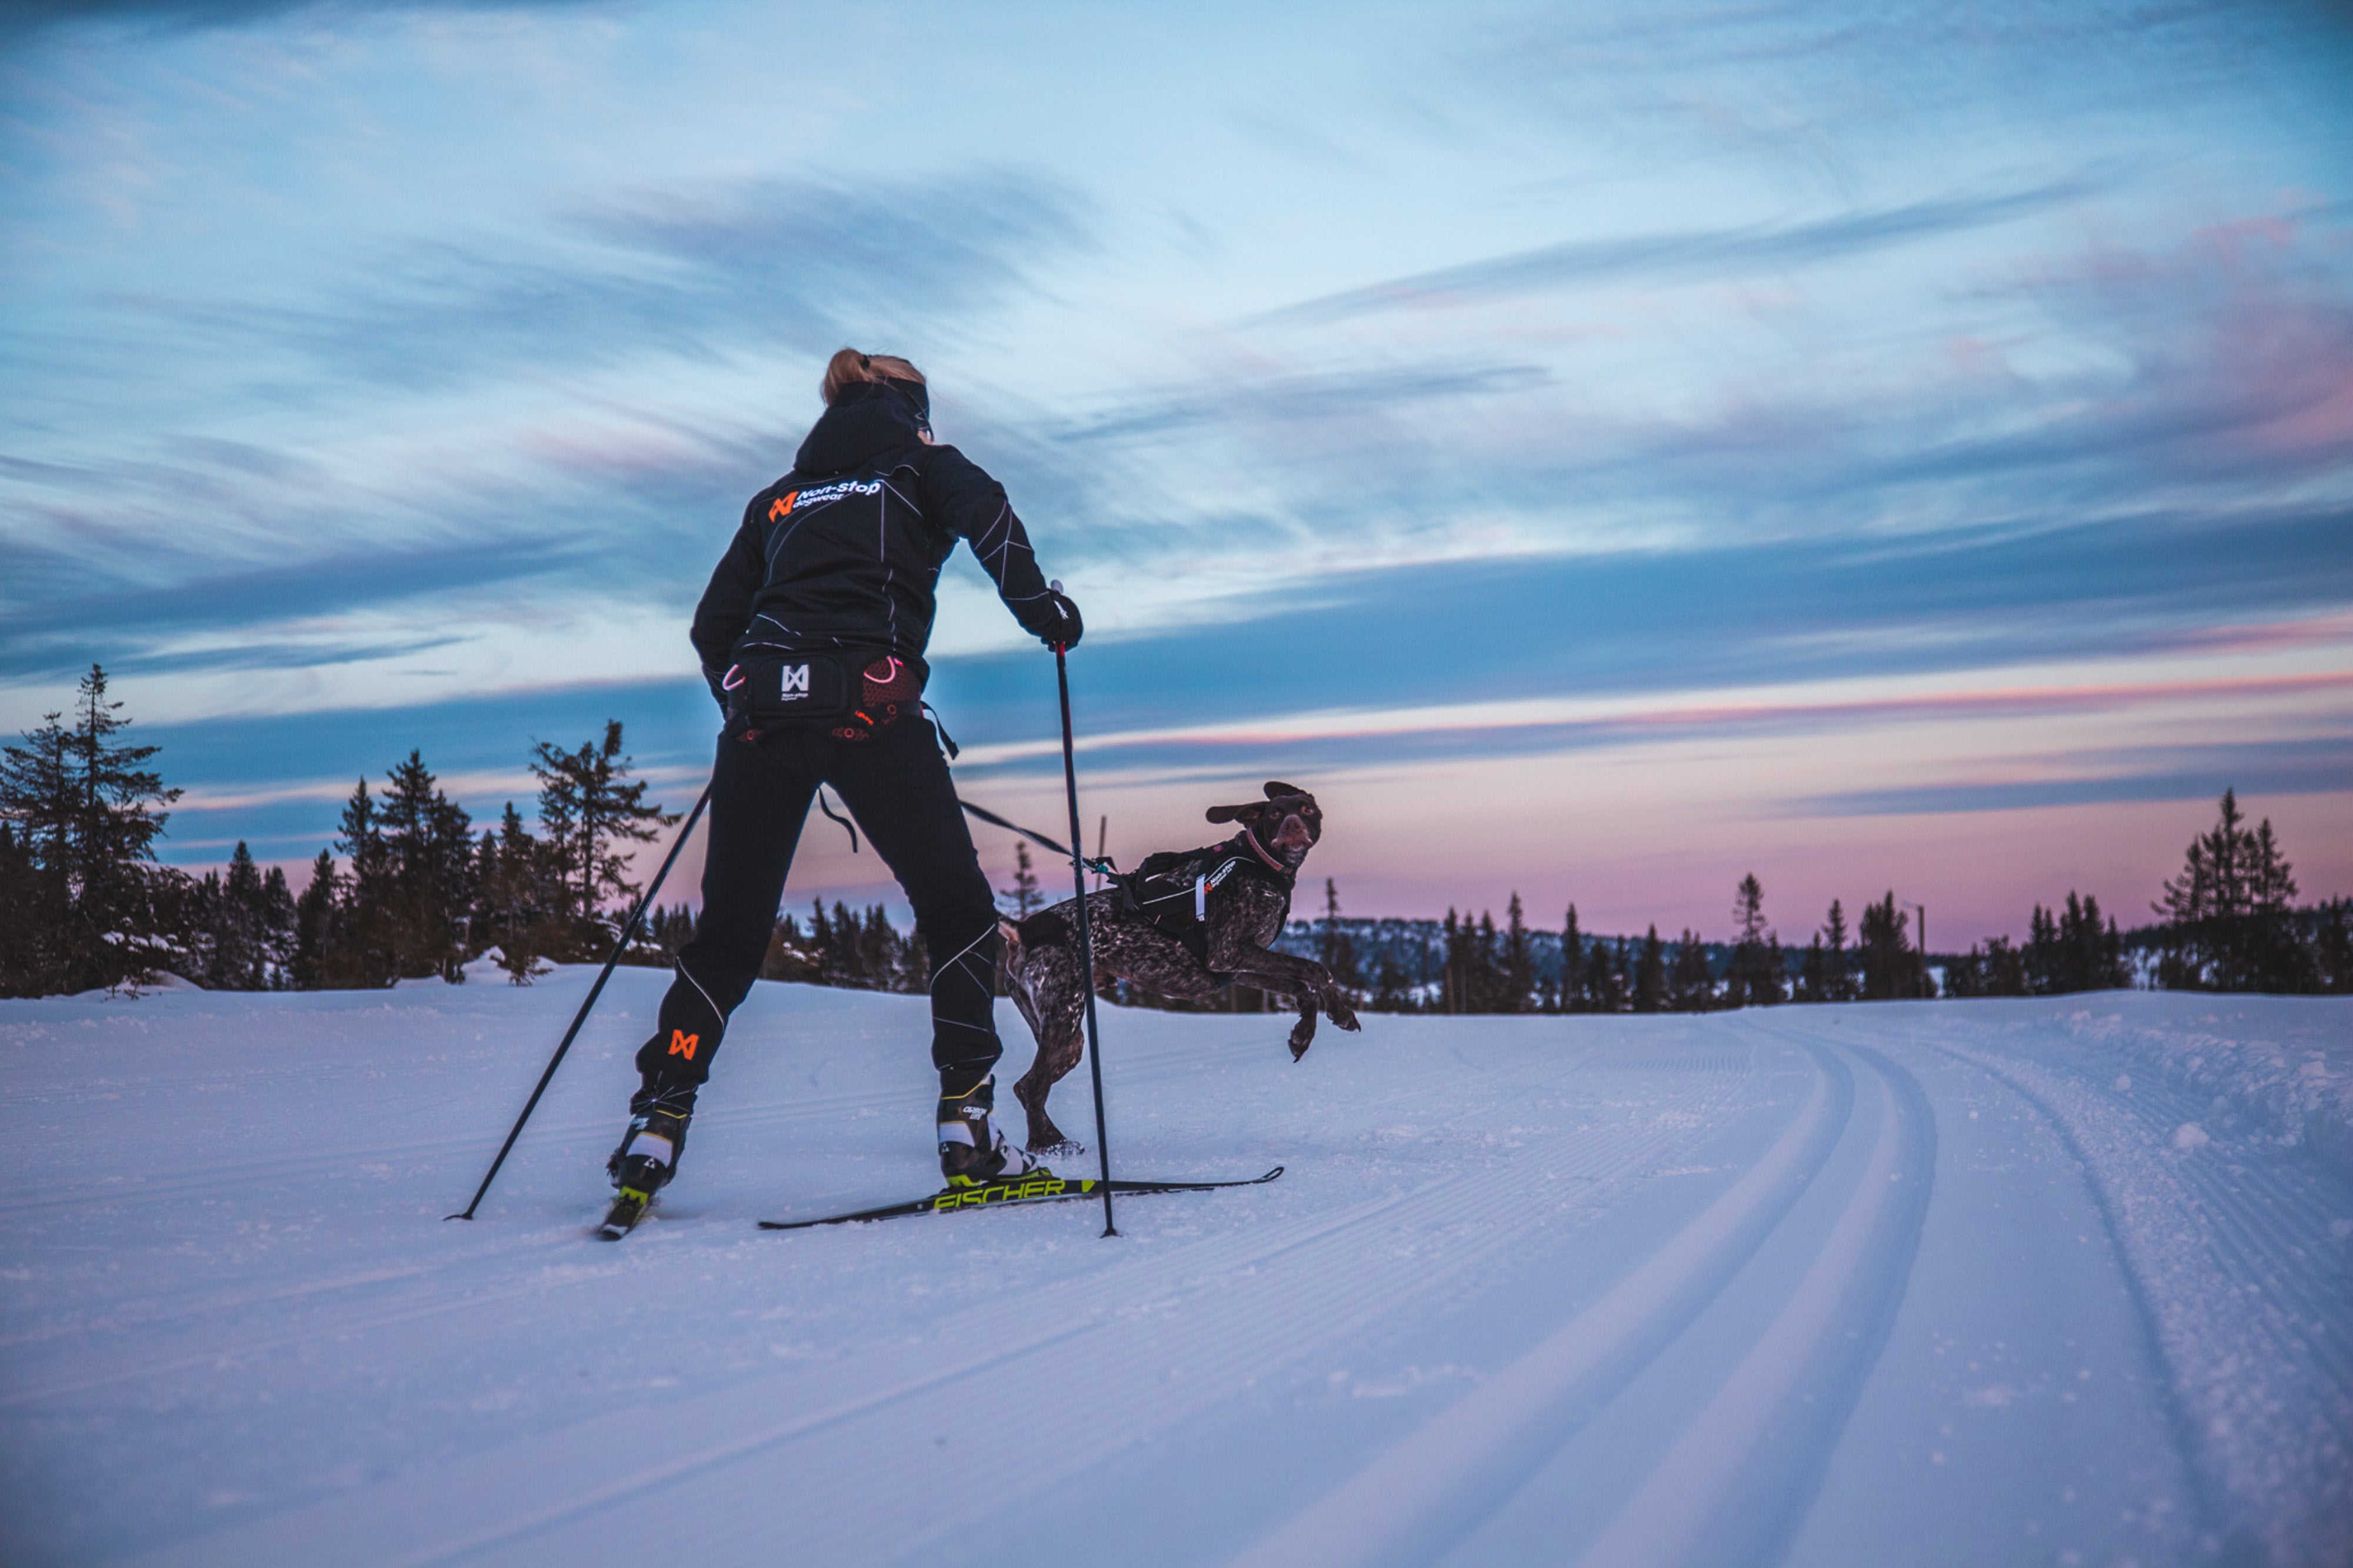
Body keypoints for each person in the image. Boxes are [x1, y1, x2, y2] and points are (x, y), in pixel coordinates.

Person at [606, 349, 1082, 1211]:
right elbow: (992, 518)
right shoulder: (924, 467)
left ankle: (658, 1117)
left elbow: (713, 626)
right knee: (959, 915)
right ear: (914, 410)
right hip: (872, 710)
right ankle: (967, 1125)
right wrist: (1045, 613)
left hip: (761, 721)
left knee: (727, 939)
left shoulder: (780, 498)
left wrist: (746, 700)